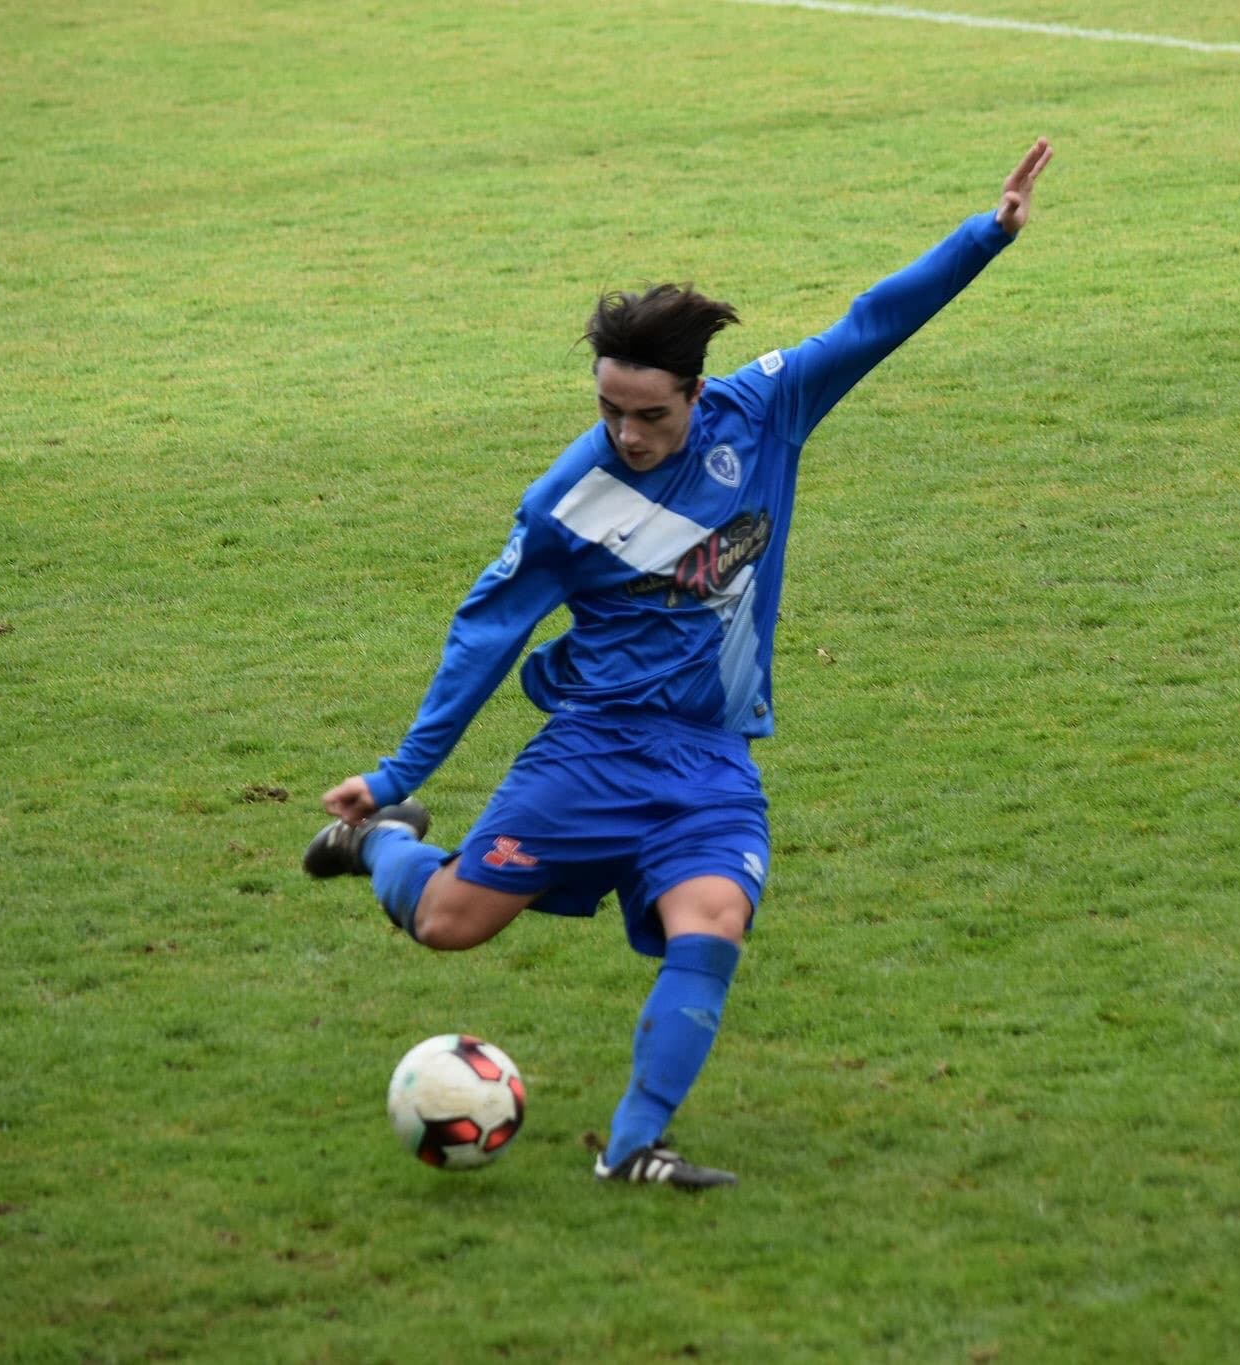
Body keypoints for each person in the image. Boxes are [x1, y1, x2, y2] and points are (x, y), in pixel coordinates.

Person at [304, 139, 1055, 1183]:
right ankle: (378, 845)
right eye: (607, 408)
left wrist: (987, 235)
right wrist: (392, 777)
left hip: (708, 759)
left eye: (648, 414)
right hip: (591, 754)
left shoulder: (763, 411)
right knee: (447, 925)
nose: (625, 432)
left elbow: (868, 325)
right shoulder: (567, 504)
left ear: (695, 395)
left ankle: (631, 1149)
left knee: (714, 922)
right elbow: (486, 632)